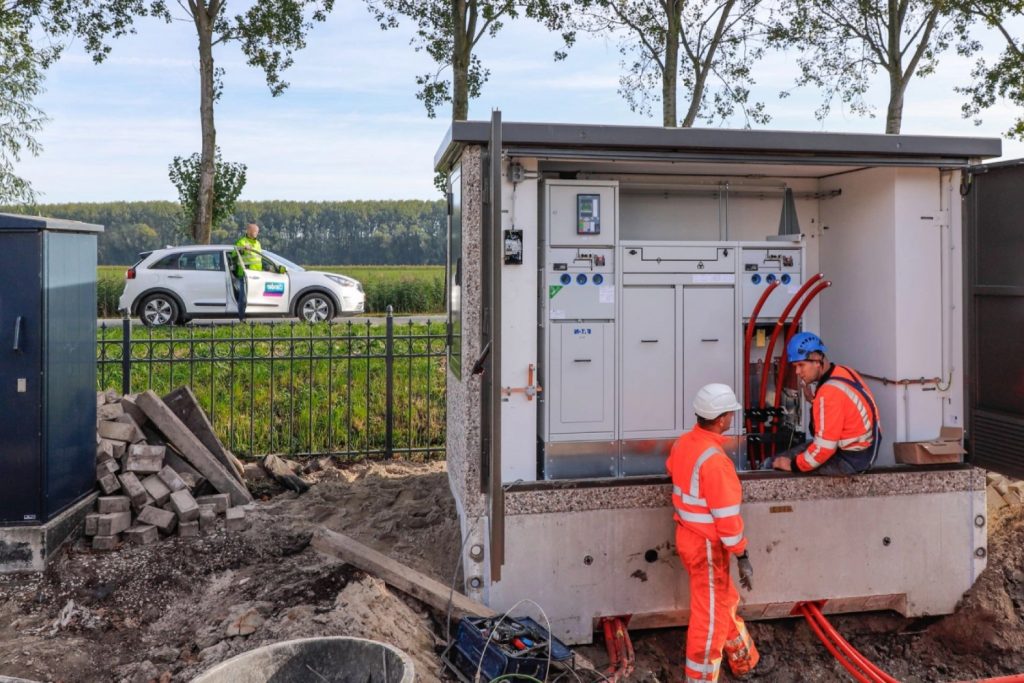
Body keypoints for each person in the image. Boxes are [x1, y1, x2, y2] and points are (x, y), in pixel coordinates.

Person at [667, 383, 759, 683]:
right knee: (709, 620)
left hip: (689, 538)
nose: (732, 417)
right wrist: (742, 555)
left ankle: (745, 661)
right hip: (707, 545)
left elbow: (674, 470)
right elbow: (728, 522)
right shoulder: (716, 462)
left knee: (723, 601)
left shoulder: (683, 443)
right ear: (721, 419)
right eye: (730, 413)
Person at [772, 332, 880, 475]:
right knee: (783, 459)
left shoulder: (829, 391)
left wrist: (792, 466)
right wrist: (814, 402)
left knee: (777, 463)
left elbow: (824, 448)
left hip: (849, 461)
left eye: (801, 365)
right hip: (862, 454)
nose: (797, 372)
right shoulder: (844, 372)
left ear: (817, 360)